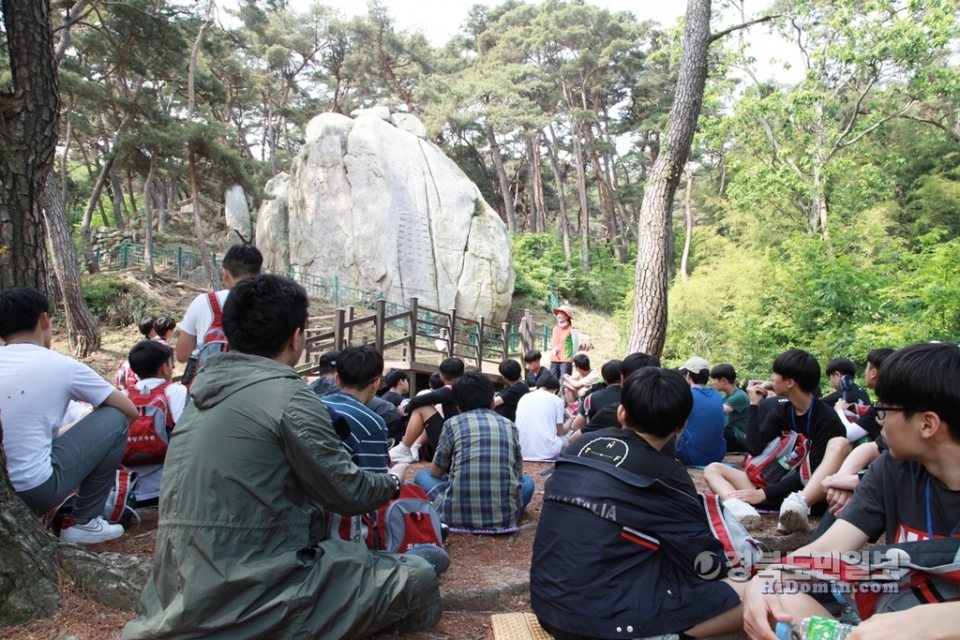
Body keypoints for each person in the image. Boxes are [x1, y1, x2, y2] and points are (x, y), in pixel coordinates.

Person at [122, 274, 440, 639]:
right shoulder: (287, 396)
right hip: (256, 593)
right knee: (417, 574)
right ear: (296, 337)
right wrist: (394, 480)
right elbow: (348, 492)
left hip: (175, 594)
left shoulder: (198, 398)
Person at [742, 342, 960, 640]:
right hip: (885, 625)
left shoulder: (824, 417)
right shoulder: (892, 469)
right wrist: (769, 576)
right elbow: (828, 550)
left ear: (927, 423)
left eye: (883, 409)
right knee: (777, 599)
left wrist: (933, 622)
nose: (877, 421)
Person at [531, 367, 747, 640]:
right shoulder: (670, 475)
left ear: (621, 412)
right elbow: (701, 562)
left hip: (548, 608)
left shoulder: (580, 445)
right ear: (681, 426)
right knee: (752, 595)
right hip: (602, 627)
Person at [0, 287, 137, 544]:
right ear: (44, 320)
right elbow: (127, 411)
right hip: (32, 490)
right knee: (115, 419)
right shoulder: (63, 366)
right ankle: (85, 522)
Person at [703, 349, 848, 533]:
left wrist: (763, 494)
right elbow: (754, 448)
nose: (772, 378)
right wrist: (754, 405)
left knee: (815, 477)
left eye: (776, 373)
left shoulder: (826, 420)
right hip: (774, 485)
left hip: (807, 493)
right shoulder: (782, 412)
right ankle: (740, 507)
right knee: (713, 469)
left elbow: (812, 472)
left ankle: (792, 510)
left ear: (790, 382)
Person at [413, 371, 533, 533]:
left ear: (458, 407)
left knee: (423, 476)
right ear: (492, 402)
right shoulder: (508, 425)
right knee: (528, 482)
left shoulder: (452, 423)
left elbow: (436, 472)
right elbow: (518, 474)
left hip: (454, 516)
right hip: (504, 517)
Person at [123, 339, 188, 506]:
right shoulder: (175, 391)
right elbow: (187, 436)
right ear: (164, 368)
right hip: (169, 487)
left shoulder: (122, 396)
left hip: (128, 491)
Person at [175, 243, 263, 365]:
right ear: (259, 274)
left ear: (225, 274)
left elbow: (182, 355)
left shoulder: (203, 302)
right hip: (253, 380)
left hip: (209, 381)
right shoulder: (268, 305)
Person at [320, 345, 390, 473]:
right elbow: (378, 486)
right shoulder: (373, 424)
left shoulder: (316, 404)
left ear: (337, 379)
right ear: (376, 384)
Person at [389, 358, 464, 464]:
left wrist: (406, 408)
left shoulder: (452, 388)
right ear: (463, 373)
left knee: (422, 407)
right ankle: (414, 445)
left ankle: (405, 448)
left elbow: (418, 400)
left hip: (453, 446)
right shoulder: (472, 388)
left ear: (441, 376)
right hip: (468, 439)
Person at [676, 356, 727, 466]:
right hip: (718, 455)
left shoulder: (686, 395)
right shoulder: (717, 395)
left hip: (692, 456)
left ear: (688, 375)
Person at [516, 376, 568, 461]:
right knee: (570, 436)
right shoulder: (557, 400)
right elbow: (561, 431)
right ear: (555, 390)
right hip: (548, 453)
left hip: (521, 452)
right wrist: (571, 419)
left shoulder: (523, 398)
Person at [568, 359, 622, 437]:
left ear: (604, 379)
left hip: (596, 441)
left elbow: (575, 426)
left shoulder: (592, 398)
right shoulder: (635, 397)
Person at [711, 363, 749, 452]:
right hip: (730, 433)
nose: (713, 383)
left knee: (715, 428)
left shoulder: (740, 396)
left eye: (715, 379)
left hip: (738, 436)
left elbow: (718, 411)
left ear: (723, 380)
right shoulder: (726, 397)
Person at [549, 305, 576, 380]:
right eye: (558, 313)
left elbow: (575, 346)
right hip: (554, 358)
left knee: (565, 383)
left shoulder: (572, 330)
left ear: (567, 316)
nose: (559, 315)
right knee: (552, 382)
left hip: (566, 359)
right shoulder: (555, 329)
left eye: (561, 313)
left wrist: (571, 358)